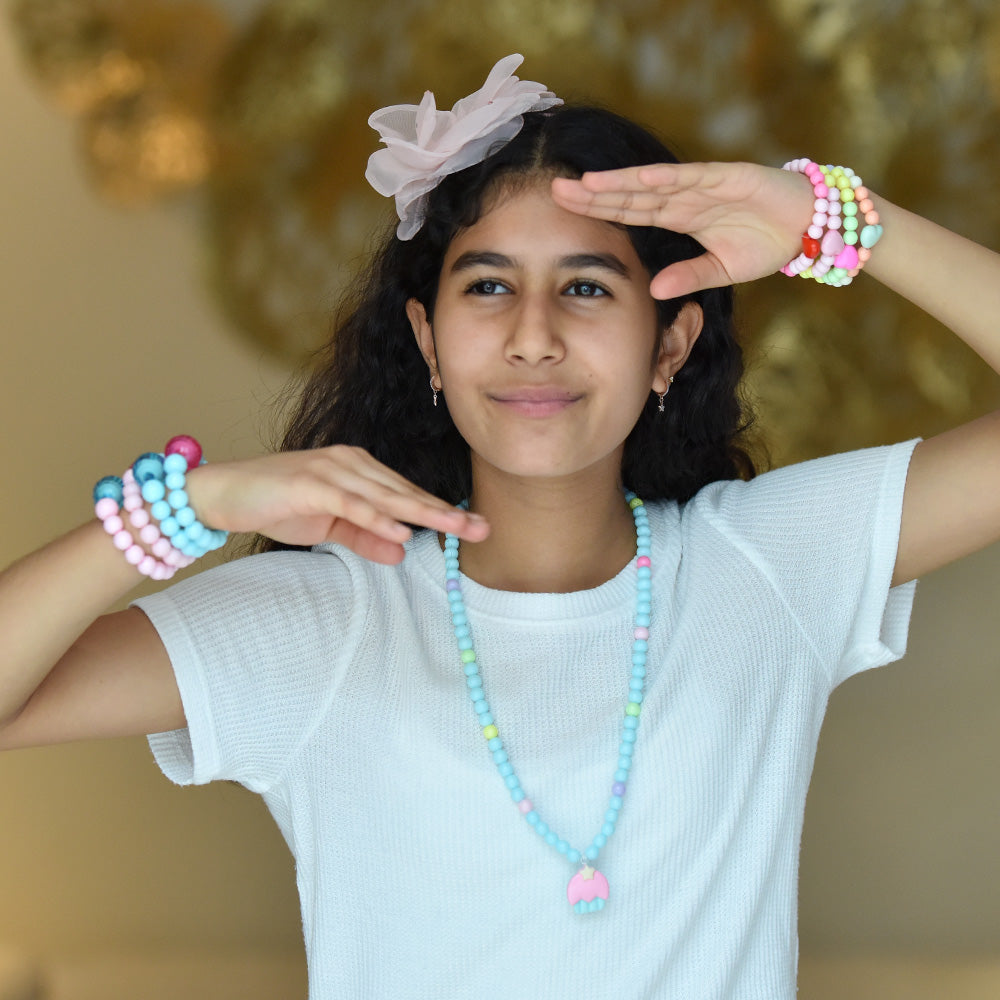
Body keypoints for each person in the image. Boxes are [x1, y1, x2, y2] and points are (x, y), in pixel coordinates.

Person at [1, 52, 999, 998]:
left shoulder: (770, 565)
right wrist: (195, 507)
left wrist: (836, 219)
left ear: (669, 344)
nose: (532, 335)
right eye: (487, 285)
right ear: (428, 342)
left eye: (585, 286)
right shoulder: (322, 619)